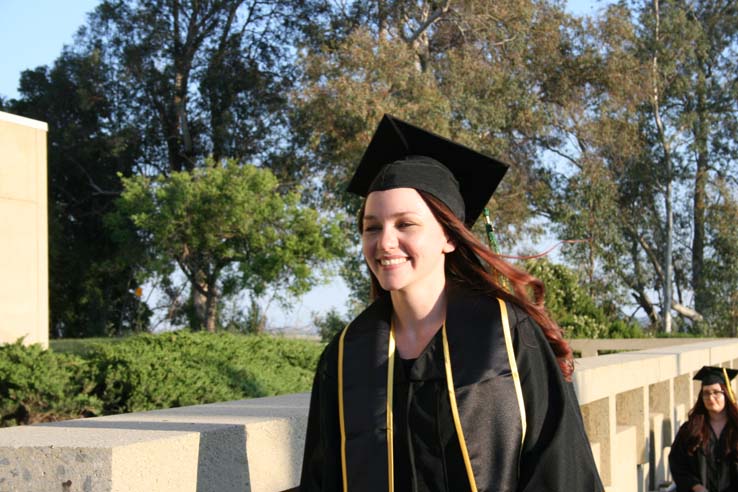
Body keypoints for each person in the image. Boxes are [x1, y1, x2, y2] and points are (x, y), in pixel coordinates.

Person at [300, 114, 604, 492]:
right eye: (372, 227)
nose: (385, 242)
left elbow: (561, 470)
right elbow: (321, 479)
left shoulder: (506, 337)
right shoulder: (345, 356)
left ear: (449, 237)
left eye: (405, 224)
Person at [669, 366, 738, 492]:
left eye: (716, 392)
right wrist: (696, 487)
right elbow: (677, 464)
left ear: (726, 393)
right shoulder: (690, 430)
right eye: (706, 393)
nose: (710, 398)